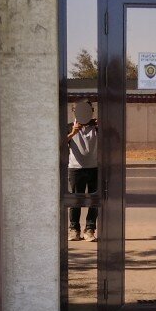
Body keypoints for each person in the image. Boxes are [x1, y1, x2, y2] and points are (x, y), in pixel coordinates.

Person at [66, 100, 98, 241]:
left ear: (91, 111)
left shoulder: (97, 127)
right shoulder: (69, 127)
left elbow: (113, 141)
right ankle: (74, 229)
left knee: (94, 200)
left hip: (94, 168)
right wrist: (73, 133)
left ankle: (90, 229)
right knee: (76, 200)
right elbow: (59, 143)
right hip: (75, 169)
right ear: (74, 111)